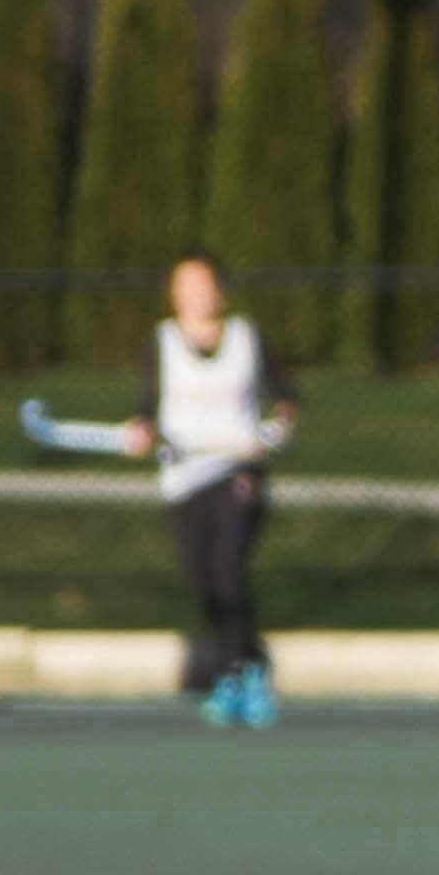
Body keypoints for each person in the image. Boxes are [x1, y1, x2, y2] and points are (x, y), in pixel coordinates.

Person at [141, 256, 297, 731]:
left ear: (220, 291)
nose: (197, 295)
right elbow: (146, 408)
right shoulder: (163, 342)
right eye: (186, 286)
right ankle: (247, 661)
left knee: (228, 574)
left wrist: (270, 436)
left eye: (204, 285)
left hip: (237, 473)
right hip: (185, 478)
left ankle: (240, 679)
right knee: (204, 583)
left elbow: (286, 401)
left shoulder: (247, 338)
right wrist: (141, 430)